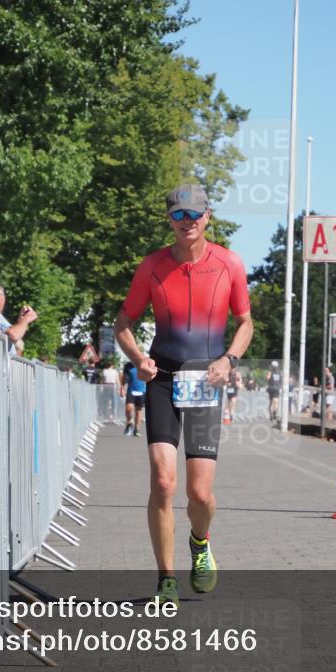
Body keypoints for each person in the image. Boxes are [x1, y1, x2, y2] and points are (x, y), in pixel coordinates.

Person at [113, 183, 253, 606]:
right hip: (162, 377)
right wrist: (138, 357)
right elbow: (123, 322)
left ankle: (200, 540)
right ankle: (166, 578)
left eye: (194, 215)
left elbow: (245, 322)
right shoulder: (152, 267)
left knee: (200, 494)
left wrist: (229, 359)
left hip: (206, 380)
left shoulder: (229, 264)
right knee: (162, 480)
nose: (187, 222)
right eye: (178, 216)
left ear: (208, 217)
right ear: (169, 220)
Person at [120, 360, 146, 437]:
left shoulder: (143, 364)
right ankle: (129, 422)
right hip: (131, 391)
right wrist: (122, 388)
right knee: (128, 408)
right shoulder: (128, 366)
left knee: (138, 411)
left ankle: (136, 429)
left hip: (142, 391)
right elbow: (124, 378)